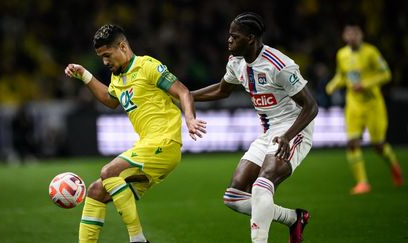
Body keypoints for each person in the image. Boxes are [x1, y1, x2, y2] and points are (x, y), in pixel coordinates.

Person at [64, 24, 206, 243]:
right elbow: (111, 101)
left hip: (164, 143)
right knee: (96, 191)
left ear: (122, 46)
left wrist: (189, 119)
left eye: (107, 55)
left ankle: (138, 239)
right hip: (145, 146)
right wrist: (84, 75)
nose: (105, 61)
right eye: (101, 57)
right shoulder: (117, 78)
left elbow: (183, 91)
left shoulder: (147, 66)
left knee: (109, 171)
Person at [191, 12, 318, 243]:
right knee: (233, 196)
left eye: (234, 36)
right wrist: (185, 97)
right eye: (229, 35)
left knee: (262, 185)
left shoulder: (279, 65)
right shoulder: (236, 62)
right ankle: (293, 218)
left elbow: (311, 106)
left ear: (250, 38)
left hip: (294, 130)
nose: (229, 40)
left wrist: (288, 136)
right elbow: (222, 90)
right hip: (269, 133)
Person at [326, 20, 403, 194]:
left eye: (355, 33)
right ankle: (362, 183)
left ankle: (393, 164)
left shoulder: (371, 52)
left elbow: (386, 74)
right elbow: (342, 75)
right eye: (349, 33)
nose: (352, 36)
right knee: (352, 142)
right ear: (344, 36)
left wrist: (366, 84)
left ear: (361, 34)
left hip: (373, 104)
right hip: (354, 104)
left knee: (378, 145)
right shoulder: (341, 54)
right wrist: (332, 85)